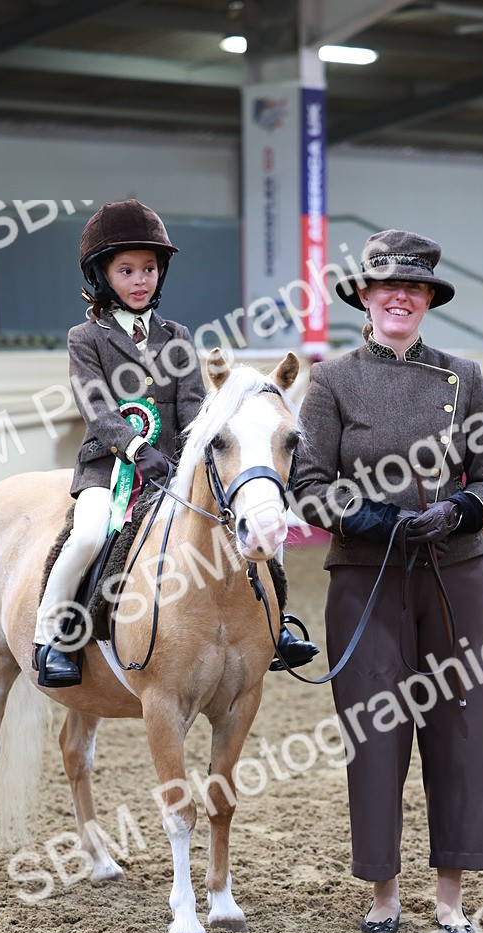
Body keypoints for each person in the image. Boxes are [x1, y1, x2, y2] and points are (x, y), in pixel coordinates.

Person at [292, 229, 483, 933]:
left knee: (461, 729)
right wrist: (373, 519)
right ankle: (384, 892)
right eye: (387, 285)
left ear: (427, 300)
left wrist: (455, 510)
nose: (399, 297)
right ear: (363, 295)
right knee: (376, 732)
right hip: (366, 576)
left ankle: (449, 898)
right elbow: (308, 485)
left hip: (455, 576)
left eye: (413, 288)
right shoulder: (330, 380)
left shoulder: (463, 377)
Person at [33, 198, 318, 687]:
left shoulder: (178, 336)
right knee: (87, 535)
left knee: (262, 522)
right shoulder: (86, 338)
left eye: (149, 268)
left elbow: (194, 409)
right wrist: (134, 450)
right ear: (103, 277)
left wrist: (190, 455)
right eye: (127, 270)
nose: (140, 279)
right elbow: (95, 408)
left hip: (173, 470)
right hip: (111, 468)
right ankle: (53, 638)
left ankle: (277, 626)